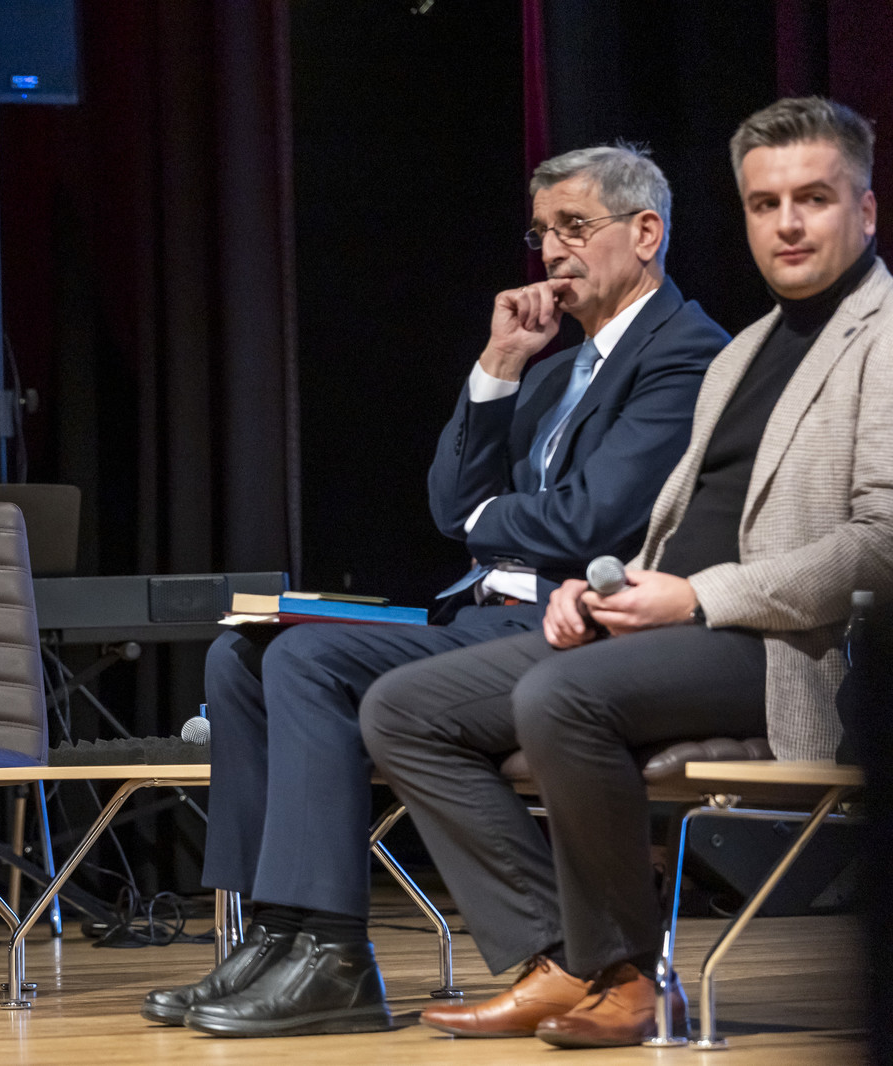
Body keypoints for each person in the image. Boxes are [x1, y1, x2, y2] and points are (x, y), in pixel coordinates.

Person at [145, 145, 729, 1037]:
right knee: (242, 655)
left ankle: (335, 954)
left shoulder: (686, 354)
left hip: (574, 628)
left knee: (307, 660)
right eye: (542, 233)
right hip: (481, 615)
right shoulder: (549, 372)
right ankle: (278, 932)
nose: (554, 251)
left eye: (575, 227)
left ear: (646, 233)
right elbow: (450, 503)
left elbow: (591, 520)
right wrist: (498, 363)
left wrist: (487, 517)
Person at [363, 97, 893, 1049]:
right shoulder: (748, 353)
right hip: (667, 622)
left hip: (785, 644)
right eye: (764, 204)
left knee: (562, 696)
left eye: (812, 199)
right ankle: (559, 958)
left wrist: (697, 596)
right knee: (403, 709)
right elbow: (682, 525)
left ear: (864, 209)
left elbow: (881, 541)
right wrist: (599, 586)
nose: (786, 224)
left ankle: (628, 976)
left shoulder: (882, 337)